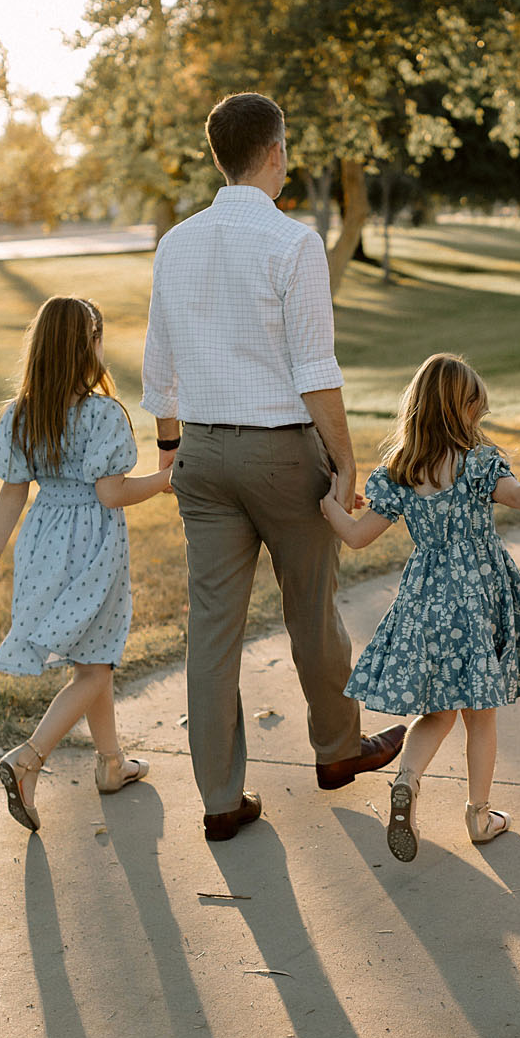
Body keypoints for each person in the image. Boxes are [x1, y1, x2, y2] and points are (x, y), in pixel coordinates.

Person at [142, 91, 406, 842]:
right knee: (311, 609)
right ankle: (337, 747)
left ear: (219, 156)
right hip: (283, 450)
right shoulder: (293, 244)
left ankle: (221, 799)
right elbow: (313, 366)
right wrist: (346, 456)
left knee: (212, 631)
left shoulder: (175, 243)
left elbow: (157, 367)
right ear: (276, 153)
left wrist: (172, 451)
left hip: (201, 453)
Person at [321, 354, 520, 861]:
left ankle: (406, 779)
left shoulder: (401, 472)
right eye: (477, 409)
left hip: (426, 599)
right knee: (481, 717)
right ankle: (479, 814)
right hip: (476, 599)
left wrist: (329, 508)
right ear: (463, 409)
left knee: (438, 712)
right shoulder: (477, 464)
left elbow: (359, 539)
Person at [0, 296, 172, 833]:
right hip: (93, 546)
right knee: (97, 665)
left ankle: (111, 764)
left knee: (92, 658)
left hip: (42, 542)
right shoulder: (104, 414)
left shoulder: (21, 413)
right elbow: (111, 494)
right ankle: (28, 758)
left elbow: (13, 492)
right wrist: (168, 479)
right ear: (92, 347)